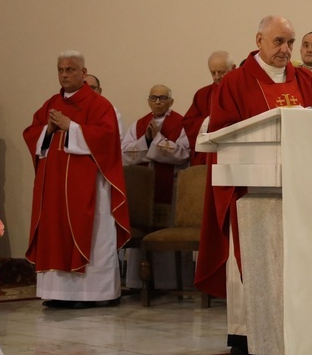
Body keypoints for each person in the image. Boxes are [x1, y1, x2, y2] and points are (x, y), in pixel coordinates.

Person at [195, 15, 312, 355]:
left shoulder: (305, 80)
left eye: (290, 42)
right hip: (250, 193)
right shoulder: (234, 82)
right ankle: (246, 333)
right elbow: (224, 136)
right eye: (279, 42)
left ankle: (297, 326)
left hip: (299, 189)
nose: (286, 50)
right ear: (259, 40)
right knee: (251, 257)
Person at [23, 50, 129, 309]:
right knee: (55, 232)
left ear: (83, 72)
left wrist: (71, 127)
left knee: (94, 234)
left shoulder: (99, 105)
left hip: (89, 186)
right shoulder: (50, 104)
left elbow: (106, 140)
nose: (64, 75)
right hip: (55, 187)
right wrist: (47, 130)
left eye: (70, 70)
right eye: (60, 70)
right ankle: (58, 292)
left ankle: (93, 294)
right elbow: (32, 133)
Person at [121, 84, 191, 290]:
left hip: (172, 191)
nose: (158, 102)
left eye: (162, 98)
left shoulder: (181, 123)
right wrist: (147, 140)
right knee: (144, 232)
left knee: (168, 233)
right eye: (154, 98)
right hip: (144, 194)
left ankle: (170, 283)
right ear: (148, 100)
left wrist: (157, 140)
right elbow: (124, 154)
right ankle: (139, 283)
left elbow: (184, 154)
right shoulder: (138, 125)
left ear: (171, 101)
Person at [183, 51, 235, 165]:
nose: (217, 77)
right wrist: (208, 121)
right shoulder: (202, 94)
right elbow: (189, 122)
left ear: (233, 68)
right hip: (209, 155)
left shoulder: (241, 91)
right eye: (213, 73)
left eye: (221, 72)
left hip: (234, 152)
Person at [85, 73, 125, 141]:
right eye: (85, 88)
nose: (89, 91)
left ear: (99, 91)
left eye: (93, 88)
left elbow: (118, 139)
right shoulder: (73, 111)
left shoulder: (112, 111)